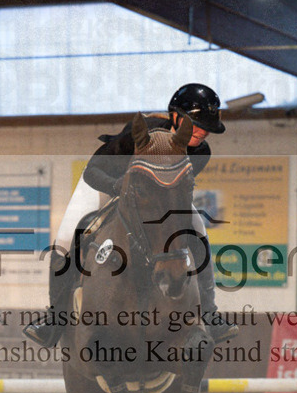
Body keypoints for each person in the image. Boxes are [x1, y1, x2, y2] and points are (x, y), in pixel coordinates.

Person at [23, 83, 238, 347]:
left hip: (154, 199)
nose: (203, 132)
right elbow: (93, 172)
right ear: (175, 117)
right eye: (197, 124)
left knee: (199, 232)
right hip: (105, 184)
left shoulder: (200, 152)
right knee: (67, 239)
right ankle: (54, 320)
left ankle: (210, 315)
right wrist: (119, 187)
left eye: (207, 128)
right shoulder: (142, 133)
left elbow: (175, 191)